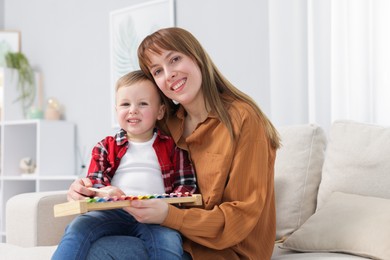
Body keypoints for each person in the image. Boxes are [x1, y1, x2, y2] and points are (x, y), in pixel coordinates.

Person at [68, 27, 281, 260]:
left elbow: (240, 218)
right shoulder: (167, 123)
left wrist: (169, 216)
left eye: (175, 59)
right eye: (158, 70)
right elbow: (119, 153)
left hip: (226, 250)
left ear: (196, 56)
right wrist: (86, 189)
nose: (168, 74)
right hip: (173, 234)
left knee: (98, 251)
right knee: (83, 235)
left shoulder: (244, 118)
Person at [52, 70, 197, 260]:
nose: (133, 110)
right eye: (125, 104)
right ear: (116, 110)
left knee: (169, 242)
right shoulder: (105, 147)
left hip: (156, 217)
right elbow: (94, 183)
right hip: (113, 212)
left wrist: (167, 206)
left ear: (160, 111)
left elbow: (186, 186)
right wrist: (105, 191)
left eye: (143, 104)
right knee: (78, 226)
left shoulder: (173, 147)